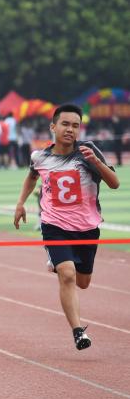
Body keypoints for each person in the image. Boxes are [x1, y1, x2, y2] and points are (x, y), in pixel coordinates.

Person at [14, 104, 120, 350]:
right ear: (53, 126)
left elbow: (114, 183)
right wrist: (20, 203)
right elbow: (31, 176)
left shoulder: (88, 151)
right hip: (54, 225)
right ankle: (78, 332)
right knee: (67, 274)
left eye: (75, 125)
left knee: (83, 282)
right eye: (65, 124)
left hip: (87, 227)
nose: (70, 129)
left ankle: (60, 263)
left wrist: (96, 163)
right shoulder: (40, 157)